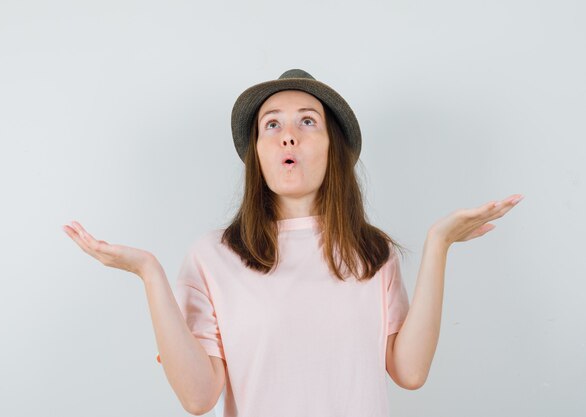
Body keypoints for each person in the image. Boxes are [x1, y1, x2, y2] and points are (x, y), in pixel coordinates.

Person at [63, 69, 523, 417]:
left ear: (331, 149)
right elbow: (198, 397)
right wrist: (149, 273)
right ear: (258, 153)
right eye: (272, 124)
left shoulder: (371, 252)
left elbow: (410, 372)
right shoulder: (212, 256)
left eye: (308, 122)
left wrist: (438, 244)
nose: (289, 134)